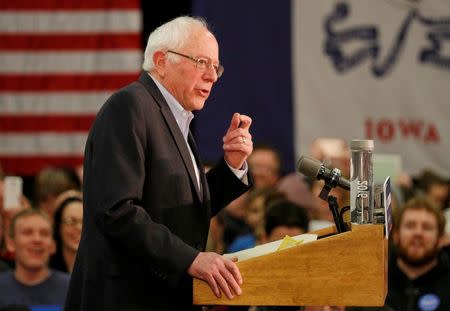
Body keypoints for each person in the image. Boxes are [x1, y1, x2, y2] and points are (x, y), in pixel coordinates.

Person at [65, 16, 253, 311]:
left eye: (215, 67)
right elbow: (117, 211)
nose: (212, 76)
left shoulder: (176, 119)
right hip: (125, 298)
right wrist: (191, 259)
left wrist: (230, 166)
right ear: (161, 61)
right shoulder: (130, 107)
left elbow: (182, 211)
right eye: (202, 62)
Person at [385, 196, 450, 311]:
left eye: (427, 227)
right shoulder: (375, 281)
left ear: (441, 239)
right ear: (395, 235)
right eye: (410, 226)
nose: (418, 233)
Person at [0, 209, 70, 310]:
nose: (37, 239)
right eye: (27, 233)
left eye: (44, 233)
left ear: (53, 245)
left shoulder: (71, 288)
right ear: (10, 243)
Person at [49, 190, 83, 273]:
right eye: (71, 221)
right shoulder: (46, 270)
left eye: (85, 222)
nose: (79, 228)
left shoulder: (102, 271)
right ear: (59, 227)